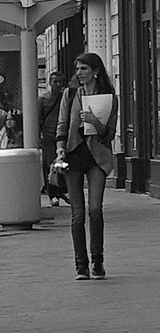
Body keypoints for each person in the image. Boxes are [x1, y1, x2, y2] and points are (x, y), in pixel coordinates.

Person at [56, 52, 118, 280]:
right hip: (73, 156)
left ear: (96, 71)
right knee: (77, 213)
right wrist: (60, 148)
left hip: (97, 158)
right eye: (78, 69)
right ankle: (80, 265)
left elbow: (109, 134)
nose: (79, 73)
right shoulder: (70, 94)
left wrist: (94, 121)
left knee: (95, 210)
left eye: (83, 69)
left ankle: (97, 262)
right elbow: (62, 124)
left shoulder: (109, 96)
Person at [39, 70, 68, 202]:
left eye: (60, 82)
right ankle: (52, 193)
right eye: (55, 81)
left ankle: (61, 189)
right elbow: (38, 119)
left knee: (62, 164)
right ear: (50, 82)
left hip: (63, 136)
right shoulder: (43, 99)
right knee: (50, 165)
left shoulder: (65, 98)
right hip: (49, 137)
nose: (57, 84)